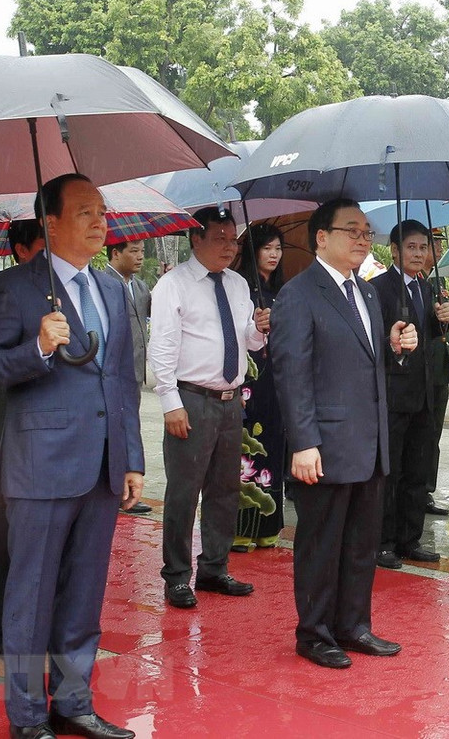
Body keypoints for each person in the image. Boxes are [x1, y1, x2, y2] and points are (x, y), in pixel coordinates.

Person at [0, 173, 143, 739]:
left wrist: (131, 456)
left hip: (102, 466)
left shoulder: (113, 287)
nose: (100, 222)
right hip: (40, 466)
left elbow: (121, 381)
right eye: (86, 212)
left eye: (102, 211)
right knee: (30, 597)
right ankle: (27, 715)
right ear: (51, 221)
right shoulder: (10, 290)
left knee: (85, 593)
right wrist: (37, 347)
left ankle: (74, 701)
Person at [271, 198, 417, 668]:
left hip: (369, 443)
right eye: (351, 230)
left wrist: (395, 348)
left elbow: (366, 365)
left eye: (366, 232)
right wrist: (304, 442)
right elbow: (291, 374)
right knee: (321, 544)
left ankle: (353, 625)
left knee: (360, 544)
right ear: (322, 237)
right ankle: (314, 633)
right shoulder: (299, 294)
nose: (361, 239)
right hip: (325, 444)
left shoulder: (370, 293)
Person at [148, 206, 268, 609]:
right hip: (191, 400)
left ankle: (214, 567)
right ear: (195, 239)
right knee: (184, 492)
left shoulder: (237, 284)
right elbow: (162, 345)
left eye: (232, 239)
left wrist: (260, 328)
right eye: (218, 238)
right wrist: (170, 402)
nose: (228, 247)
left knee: (224, 489)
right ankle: (177, 576)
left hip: (231, 400)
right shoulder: (173, 285)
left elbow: (248, 341)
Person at [370, 220, 449, 568]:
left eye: (423, 248)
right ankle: (383, 541)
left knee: (419, 469)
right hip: (392, 393)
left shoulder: (429, 288)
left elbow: (430, 336)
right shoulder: (377, 288)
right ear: (394, 249)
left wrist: (443, 320)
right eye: (411, 247)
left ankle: (410, 538)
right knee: (391, 472)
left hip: (426, 392)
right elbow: (373, 341)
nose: (419, 254)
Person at [0, 219, 45, 656]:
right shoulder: (1, 289)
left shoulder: (78, 290)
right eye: (45, 243)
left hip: (61, 437)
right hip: (10, 428)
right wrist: (37, 347)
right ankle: (3, 631)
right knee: (6, 532)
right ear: (22, 249)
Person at [232, 223, 287, 551]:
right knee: (247, 452)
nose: (274, 255)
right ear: (254, 252)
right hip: (248, 381)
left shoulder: (282, 293)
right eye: (268, 248)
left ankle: (267, 525)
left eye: (278, 248)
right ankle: (240, 528)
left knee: (274, 452)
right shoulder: (240, 290)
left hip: (276, 383)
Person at [105, 240, 153, 515]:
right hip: (113, 371)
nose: (139, 257)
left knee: (129, 429)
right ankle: (114, 490)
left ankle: (126, 490)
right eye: (133, 251)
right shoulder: (103, 283)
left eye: (141, 252)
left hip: (134, 370)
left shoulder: (140, 287)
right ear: (115, 253)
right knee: (116, 429)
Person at [423, 230, 449, 516]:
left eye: (439, 243)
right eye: (432, 243)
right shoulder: (415, 282)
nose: (438, 248)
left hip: (438, 369)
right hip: (417, 372)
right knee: (419, 435)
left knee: (432, 436)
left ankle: (426, 489)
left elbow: (440, 330)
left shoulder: (437, 281)